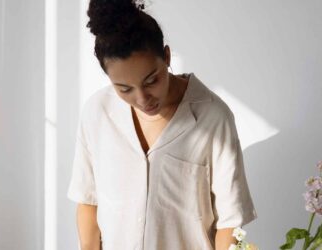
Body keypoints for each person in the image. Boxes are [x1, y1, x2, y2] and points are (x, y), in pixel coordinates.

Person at [67, 0, 258, 249]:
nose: (142, 99)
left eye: (151, 81)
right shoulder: (97, 112)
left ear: (166, 56)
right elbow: (88, 200)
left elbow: (230, 221)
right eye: (124, 89)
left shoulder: (212, 117)